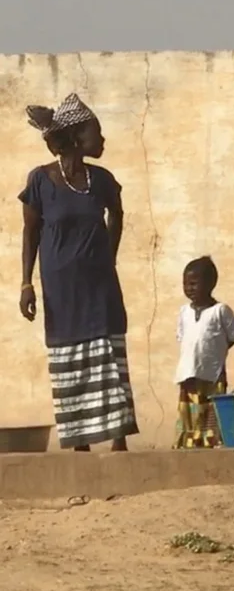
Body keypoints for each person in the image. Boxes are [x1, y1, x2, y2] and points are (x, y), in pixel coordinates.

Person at [18, 94, 138, 451]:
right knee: (70, 360)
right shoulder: (39, 181)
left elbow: (117, 216)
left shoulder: (101, 180)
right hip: (60, 290)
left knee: (108, 355)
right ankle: (80, 445)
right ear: (74, 137)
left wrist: (108, 256)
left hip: (99, 287)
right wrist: (26, 283)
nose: (101, 141)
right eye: (95, 133)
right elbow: (30, 232)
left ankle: (118, 443)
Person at [174, 256, 234, 449]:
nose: (189, 288)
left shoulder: (221, 311)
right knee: (190, 410)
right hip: (188, 372)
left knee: (211, 410)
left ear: (210, 284)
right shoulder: (184, 312)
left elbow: (232, 336)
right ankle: (188, 442)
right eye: (186, 284)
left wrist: (215, 354)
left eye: (194, 284)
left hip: (213, 374)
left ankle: (210, 442)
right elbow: (182, 337)